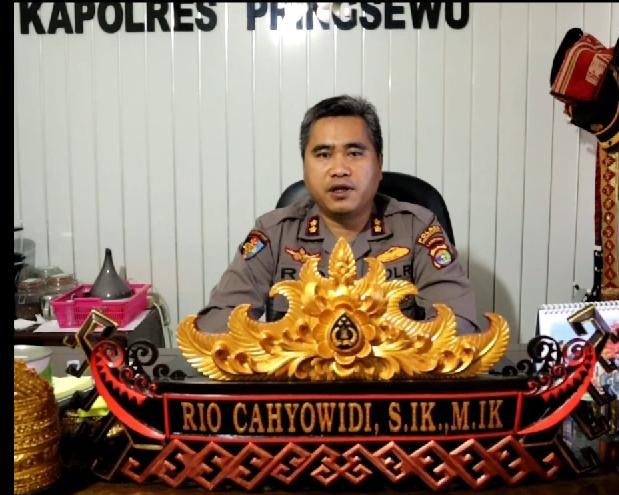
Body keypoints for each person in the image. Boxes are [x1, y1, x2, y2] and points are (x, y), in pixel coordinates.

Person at [196, 95, 481, 335]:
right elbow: (215, 325)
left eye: (355, 153)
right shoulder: (274, 233)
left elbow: (459, 325)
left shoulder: (418, 229)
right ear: (304, 168)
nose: (339, 169)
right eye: (323, 154)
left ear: (379, 165)